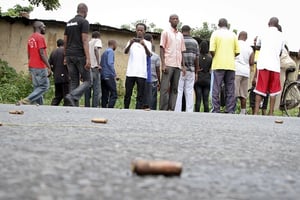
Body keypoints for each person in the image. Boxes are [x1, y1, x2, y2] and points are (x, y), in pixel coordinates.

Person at [253, 17, 285, 115]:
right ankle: (270, 112)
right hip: (275, 65)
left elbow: (257, 44)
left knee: (260, 89)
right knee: (273, 90)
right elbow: (281, 51)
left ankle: (256, 112)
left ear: (268, 23)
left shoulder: (263, 33)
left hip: (263, 64)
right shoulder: (282, 36)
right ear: (277, 24)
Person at [209, 18, 240, 113]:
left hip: (218, 65)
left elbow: (212, 50)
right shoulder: (233, 35)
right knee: (230, 88)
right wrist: (230, 56)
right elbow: (237, 52)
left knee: (216, 88)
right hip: (230, 65)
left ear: (218, 25)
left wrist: (216, 57)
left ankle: (216, 109)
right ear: (227, 25)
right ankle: (230, 109)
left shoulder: (215, 34)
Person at [17, 21, 51, 105]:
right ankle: (27, 100)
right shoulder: (40, 37)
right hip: (39, 66)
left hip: (32, 66)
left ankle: (40, 106)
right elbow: (42, 53)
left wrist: (30, 67)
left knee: (37, 87)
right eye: (44, 27)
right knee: (44, 86)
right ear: (39, 27)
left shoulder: (31, 38)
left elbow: (29, 54)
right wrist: (49, 66)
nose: (44, 28)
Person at [64, 3, 91, 107]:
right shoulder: (84, 22)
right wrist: (88, 58)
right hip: (79, 55)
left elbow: (65, 41)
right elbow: (85, 40)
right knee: (88, 81)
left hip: (69, 55)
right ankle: (72, 96)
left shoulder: (69, 23)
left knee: (74, 80)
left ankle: (72, 105)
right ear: (85, 11)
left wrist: (65, 56)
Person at [159, 14, 186, 111]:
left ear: (178, 21)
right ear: (169, 20)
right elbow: (162, 48)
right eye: (173, 19)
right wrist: (163, 64)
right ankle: (163, 108)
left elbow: (182, 51)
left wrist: (183, 66)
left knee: (175, 88)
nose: (175, 20)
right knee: (165, 88)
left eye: (176, 19)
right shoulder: (165, 32)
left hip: (178, 65)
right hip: (168, 64)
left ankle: (171, 108)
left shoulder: (180, 35)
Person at [124, 23, 152, 109]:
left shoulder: (147, 43)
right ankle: (126, 109)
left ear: (144, 32)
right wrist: (130, 44)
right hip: (131, 72)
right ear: (136, 31)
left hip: (141, 73)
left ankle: (138, 110)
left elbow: (149, 55)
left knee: (140, 95)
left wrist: (144, 46)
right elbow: (125, 52)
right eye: (138, 30)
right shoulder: (130, 41)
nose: (139, 32)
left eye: (141, 30)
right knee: (128, 93)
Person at [175, 25, 199, 112]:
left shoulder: (179, 40)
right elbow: (197, 58)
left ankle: (177, 110)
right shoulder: (195, 42)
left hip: (180, 69)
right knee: (189, 91)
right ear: (190, 31)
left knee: (179, 90)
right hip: (191, 70)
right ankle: (189, 111)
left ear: (182, 31)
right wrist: (196, 72)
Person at [234, 31, 255, 114]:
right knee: (243, 94)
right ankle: (243, 112)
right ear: (246, 38)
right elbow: (252, 62)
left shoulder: (235, 44)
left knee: (234, 93)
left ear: (238, 36)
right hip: (245, 72)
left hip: (236, 70)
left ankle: (232, 110)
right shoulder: (250, 48)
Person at [49, 39, 69, 106]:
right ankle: (66, 108)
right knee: (66, 95)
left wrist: (53, 70)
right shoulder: (65, 51)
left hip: (56, 77)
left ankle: (53, 106)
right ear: (64, 44)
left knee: (58, 95)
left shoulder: (53, 52)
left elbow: (49, 64)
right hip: (65, 76)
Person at [84, 31, 102, 107]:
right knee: (96, 89)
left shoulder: (88, 42)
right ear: (98, 36)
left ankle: (87, 106)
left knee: (87, 89)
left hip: (87, 68)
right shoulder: (98, 41)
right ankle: (95, 106)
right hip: (94, 67)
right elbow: (96, 49)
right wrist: (98, 63)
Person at [194, 40, 212, 112]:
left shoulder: (197, 57)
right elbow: (210, 69)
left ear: (200, 47)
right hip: (207, 78)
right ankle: (206, 113)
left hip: (198, 78)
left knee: (198, 98)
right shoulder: (210, 58)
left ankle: (197, 112)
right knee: (206, 99)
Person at [100, 40, 118, 108]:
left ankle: (104, 108)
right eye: (116, 45)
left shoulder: (104, 52)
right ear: (114, 44)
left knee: (105, 94)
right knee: (114, 93)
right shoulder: (110, 51)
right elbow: (110, 63)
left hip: (103, 76)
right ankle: (110, 108)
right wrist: (114, 74)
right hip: (109, 75)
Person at [143, 33, 154, 109]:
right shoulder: (148, 52)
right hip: (147, 77)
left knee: (143, 95)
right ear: (151, 40)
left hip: (142, 76)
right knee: (148, 96)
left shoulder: (142, 50)